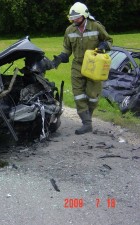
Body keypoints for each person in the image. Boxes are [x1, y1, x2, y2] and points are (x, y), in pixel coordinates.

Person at [48, 2, 113, 135]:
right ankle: (87, 123)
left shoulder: (96, 26)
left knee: (92, 95)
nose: (73, 20)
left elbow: (109, 40)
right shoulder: (69, 30)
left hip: (93, 64)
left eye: (76, 17)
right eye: (72, 18)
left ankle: (88, 117)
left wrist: (103, 45)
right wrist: (59, 59)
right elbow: (67, 50)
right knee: (78, 95)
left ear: (84, 16)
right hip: (77, 65)